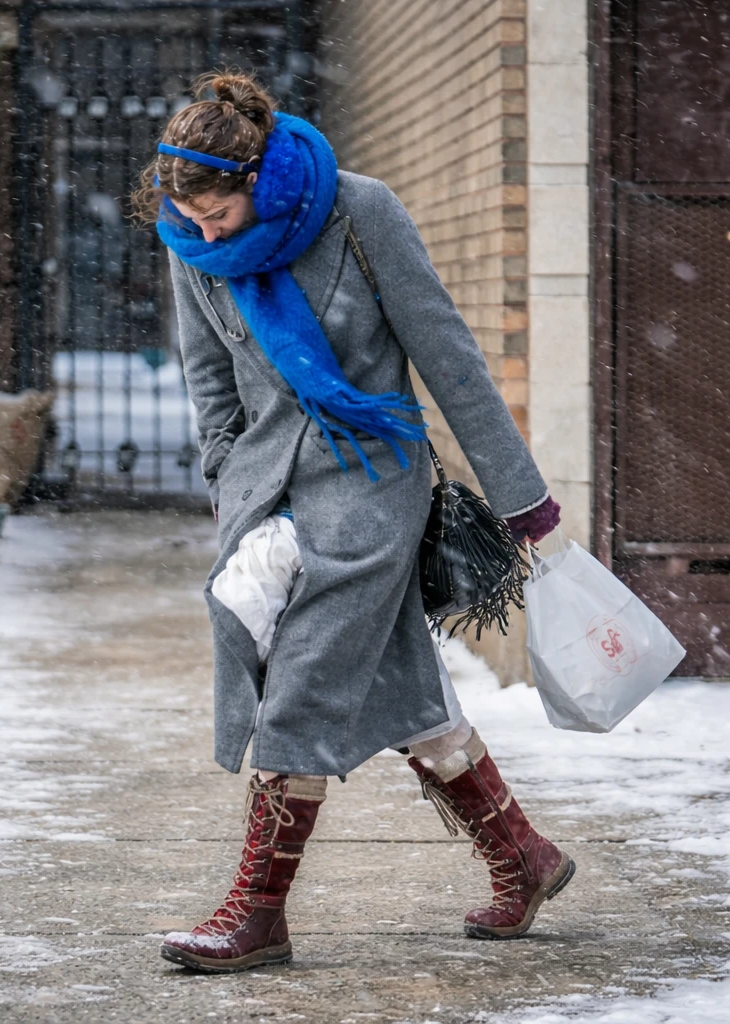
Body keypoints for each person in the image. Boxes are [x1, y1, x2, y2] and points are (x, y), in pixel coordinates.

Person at [132, 70, 569, 975]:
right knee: (396, 682)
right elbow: (209, 375)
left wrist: (521, 495)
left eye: (219, 215)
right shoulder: (188, 236)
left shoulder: (360, 211)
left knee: (301, 675)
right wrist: (226, 476)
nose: (205, 237)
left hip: (371, 479)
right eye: (192, 223)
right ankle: (521, 857)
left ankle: (257, 913)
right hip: (268, 486)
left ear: (255, 179)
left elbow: (445, 350)